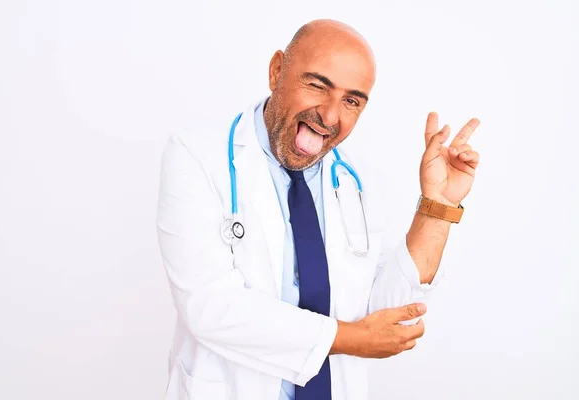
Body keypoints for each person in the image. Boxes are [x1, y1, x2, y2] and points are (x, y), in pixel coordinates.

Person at [156, 18, 480, 400]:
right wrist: (350, 339)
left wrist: (436, 207)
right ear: (277, 70)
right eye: (316, 85)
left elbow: (390, 315)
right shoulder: (195, 157)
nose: (328, 116)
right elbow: (209, 308)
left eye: (351, 101)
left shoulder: (358, 181)